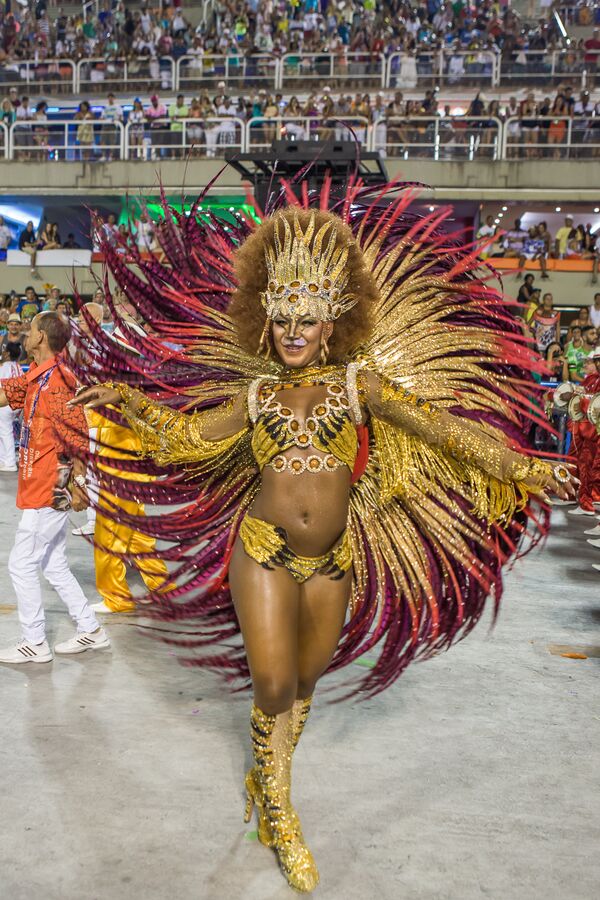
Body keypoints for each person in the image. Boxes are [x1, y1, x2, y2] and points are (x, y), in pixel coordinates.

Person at [73, 197, 572, 893]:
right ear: (265, 321)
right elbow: (183, 441)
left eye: (306, 319)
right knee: (273, 683)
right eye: (281, 319)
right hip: (265, 547)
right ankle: (279, 810)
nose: (292, 332)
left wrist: (525, 468)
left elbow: (446, 432)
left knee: (304, 684)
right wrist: (129, 403)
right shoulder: (252, 397)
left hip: (335, 560)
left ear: (333, 321)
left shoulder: (358, 385)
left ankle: (268, 770)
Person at [0, 312, 110, 664]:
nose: (25, 335)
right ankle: (90, 629)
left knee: (21, 563)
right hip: (40, 482)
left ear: (41, 338)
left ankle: (34, 640)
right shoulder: (39, 376)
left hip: (51, 486)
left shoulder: (60, 381)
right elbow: (6, 393)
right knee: (53, 564)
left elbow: (78, 438)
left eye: (31, 330)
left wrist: (79, 486)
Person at [0, 343, 23, 471]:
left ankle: (9, 462)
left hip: (6, 401)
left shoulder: (3, 367)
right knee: (4, 431)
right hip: (18, 402)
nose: (3, 353)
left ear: (8, 353)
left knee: (5, 431)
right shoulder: (17, 366)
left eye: (4, 351)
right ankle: (4, 460)